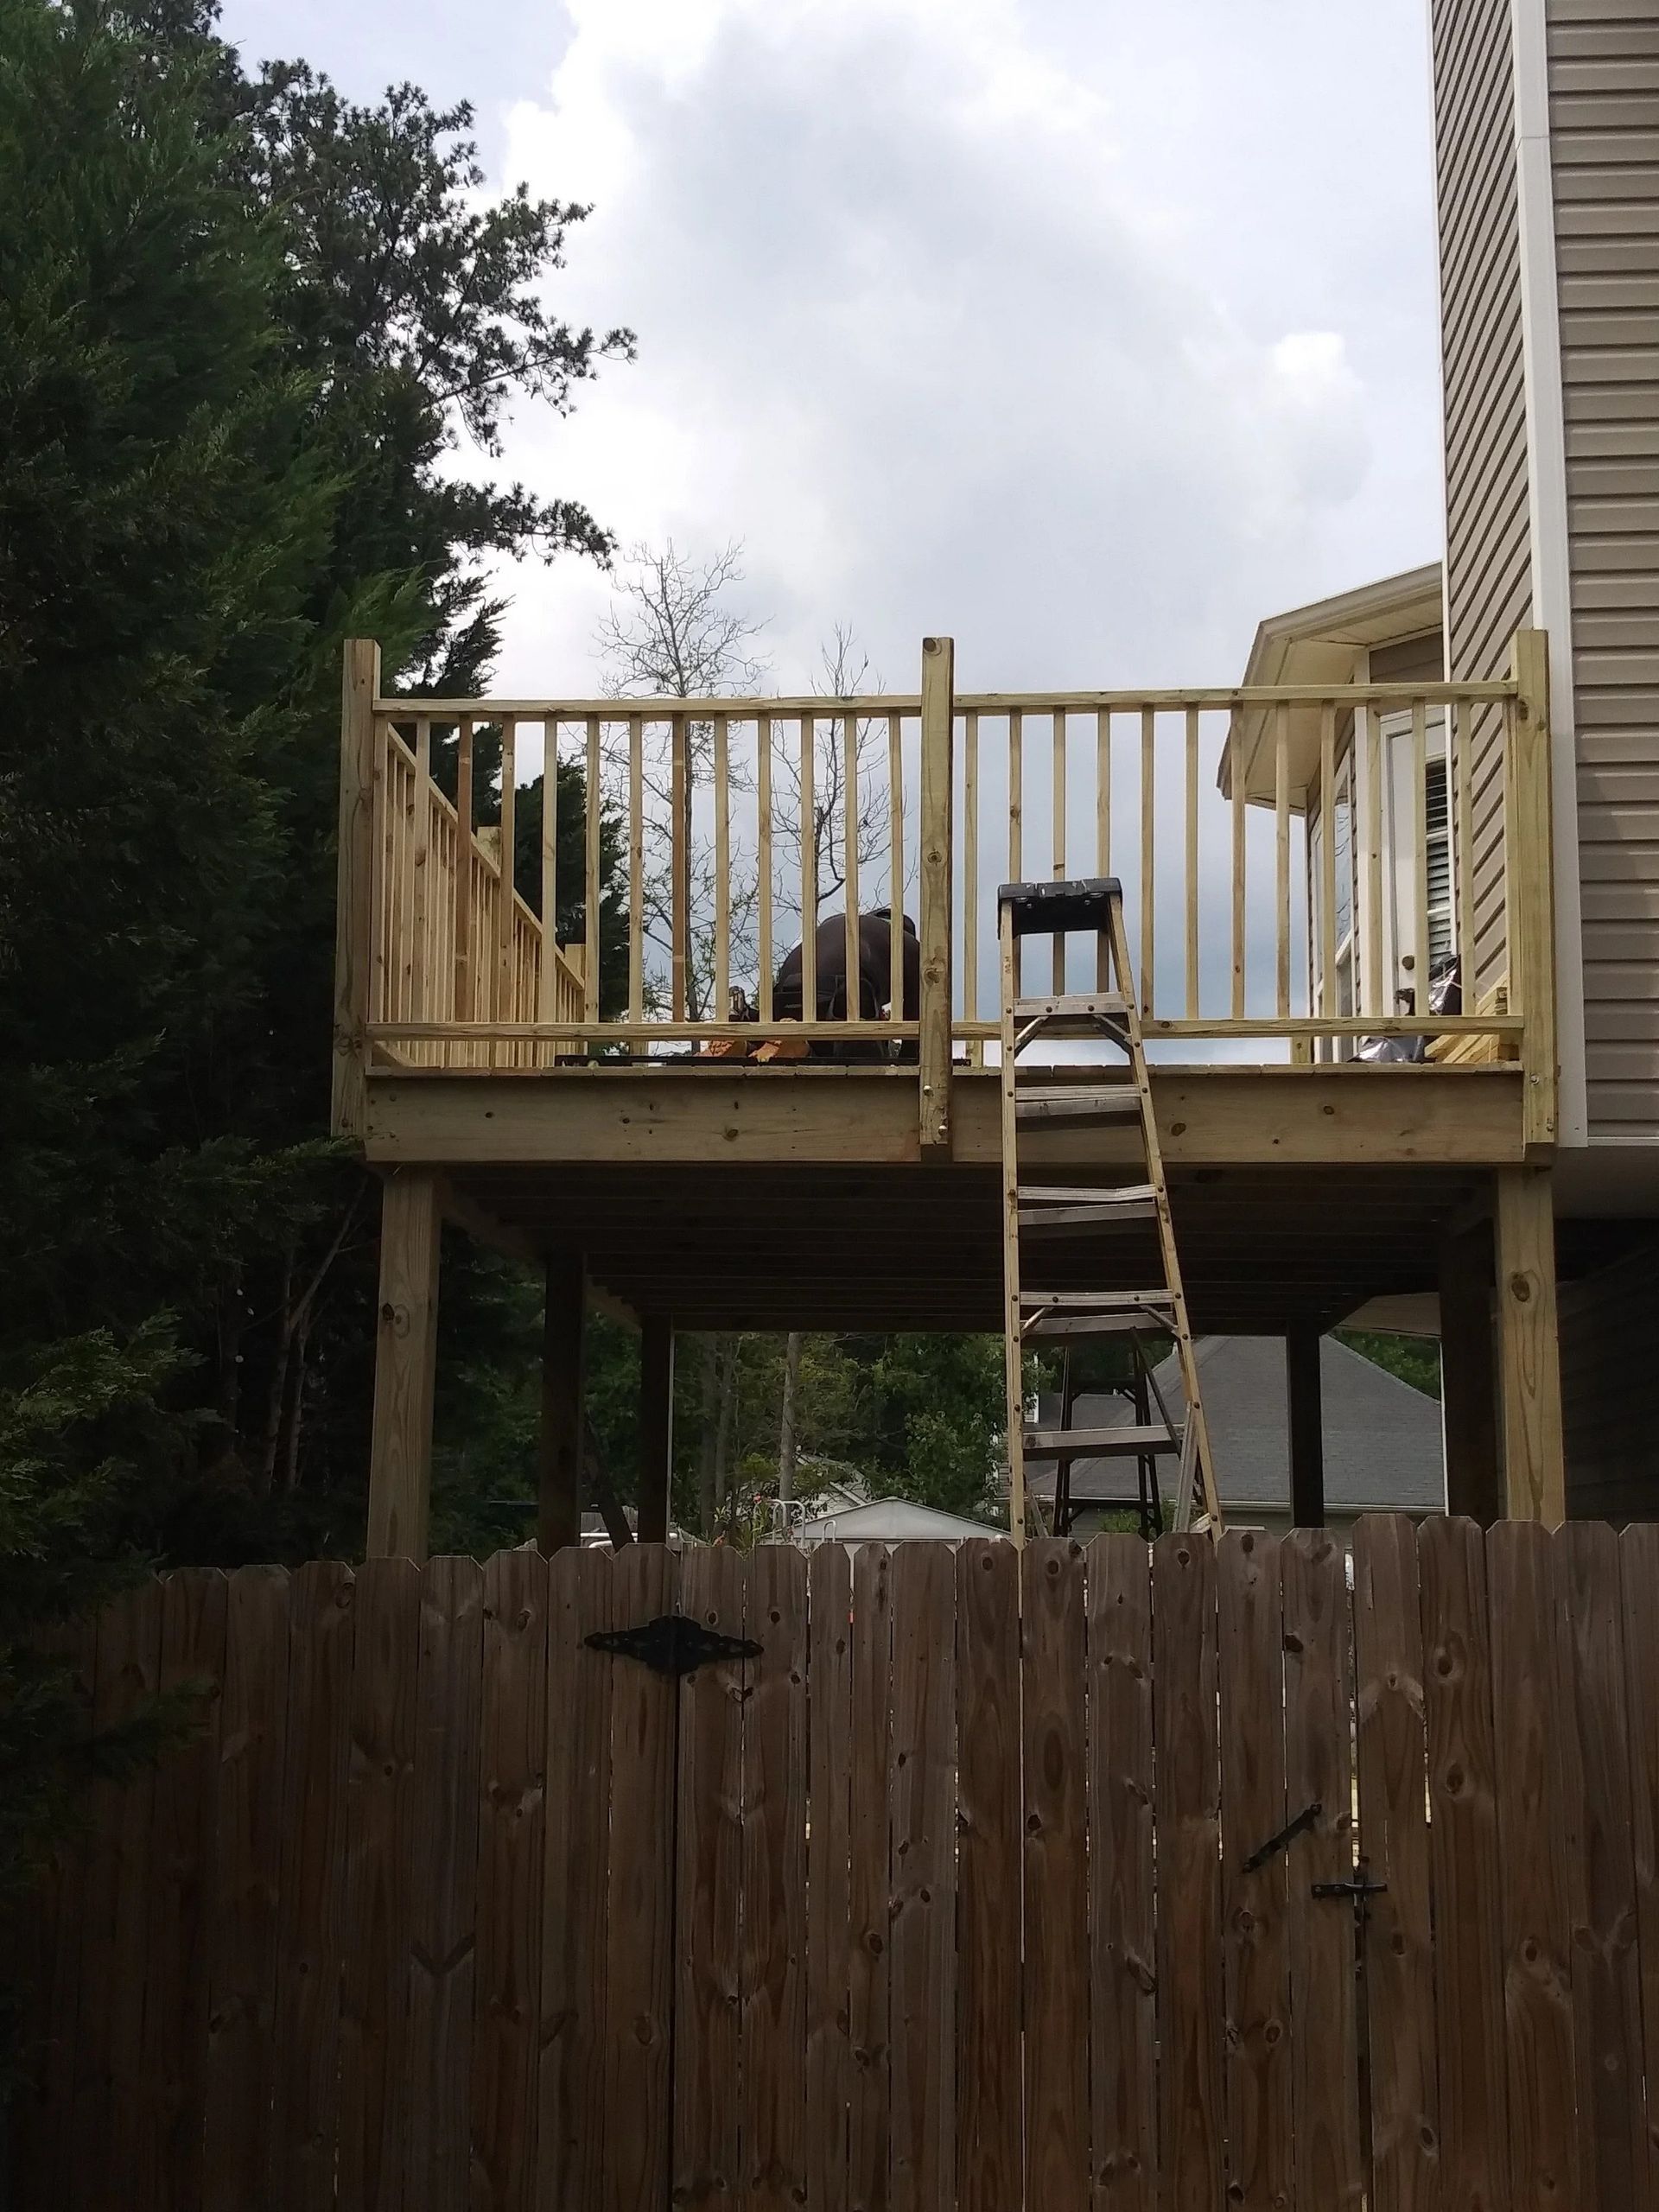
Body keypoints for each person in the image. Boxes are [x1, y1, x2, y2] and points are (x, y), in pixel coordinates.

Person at [771, 907, 919, 1058]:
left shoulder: (838, 926)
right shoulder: (907, 945)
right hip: (838, 995)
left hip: (785, 996)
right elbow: (918, 1022)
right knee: (862, 1025)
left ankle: (801, 1049)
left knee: (821, 1048)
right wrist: (907, 1060)